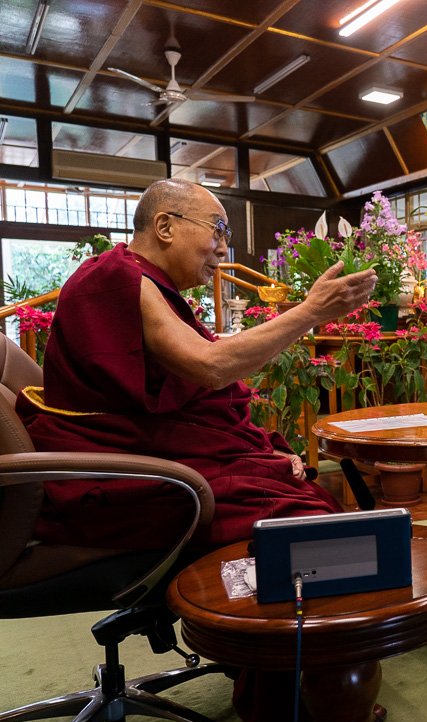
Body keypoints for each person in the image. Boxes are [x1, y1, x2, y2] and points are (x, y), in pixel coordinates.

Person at [16, 178, 378, 552]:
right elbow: (210, 367)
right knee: (308, 521)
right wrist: (311, 311)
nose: (222, 248)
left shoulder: (144, 280)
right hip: (129, 472)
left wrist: (259, 448)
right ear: (165, 226)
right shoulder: (118, 276)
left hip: (162, 452)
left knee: (309, 503)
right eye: (217, 230)